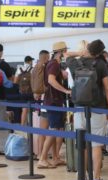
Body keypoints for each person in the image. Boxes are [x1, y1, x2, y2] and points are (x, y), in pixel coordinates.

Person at [66, 39, 108, 180]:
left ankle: (83, 176)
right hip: (97, 109)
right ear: (100, 53)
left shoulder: (74, 63)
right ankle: (96, 178)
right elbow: (107, 89)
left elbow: (66, 54)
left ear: (87, 49)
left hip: (79, 108)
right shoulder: (100, 64)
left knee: (83, 145)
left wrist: (81, 53)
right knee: (96, 145)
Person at [37, 41, 71, 169]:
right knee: (54, 130)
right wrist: (65, 90)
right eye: (65, 51)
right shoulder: (54, 64)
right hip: (54, 101)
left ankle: (55, 157)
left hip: (51, 101)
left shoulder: (53, 64)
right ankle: (43, 158)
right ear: (61, 52)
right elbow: (51, 80)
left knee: (55, 129)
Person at [32, 50, 51, 159]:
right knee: (45, 129)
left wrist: (36, 92)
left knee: (42, 129)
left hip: (40, 99)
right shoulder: (43, 67)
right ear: (45, 57)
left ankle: (39, 153)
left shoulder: (35, 68)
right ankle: (41, 154)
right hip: (45, 99)